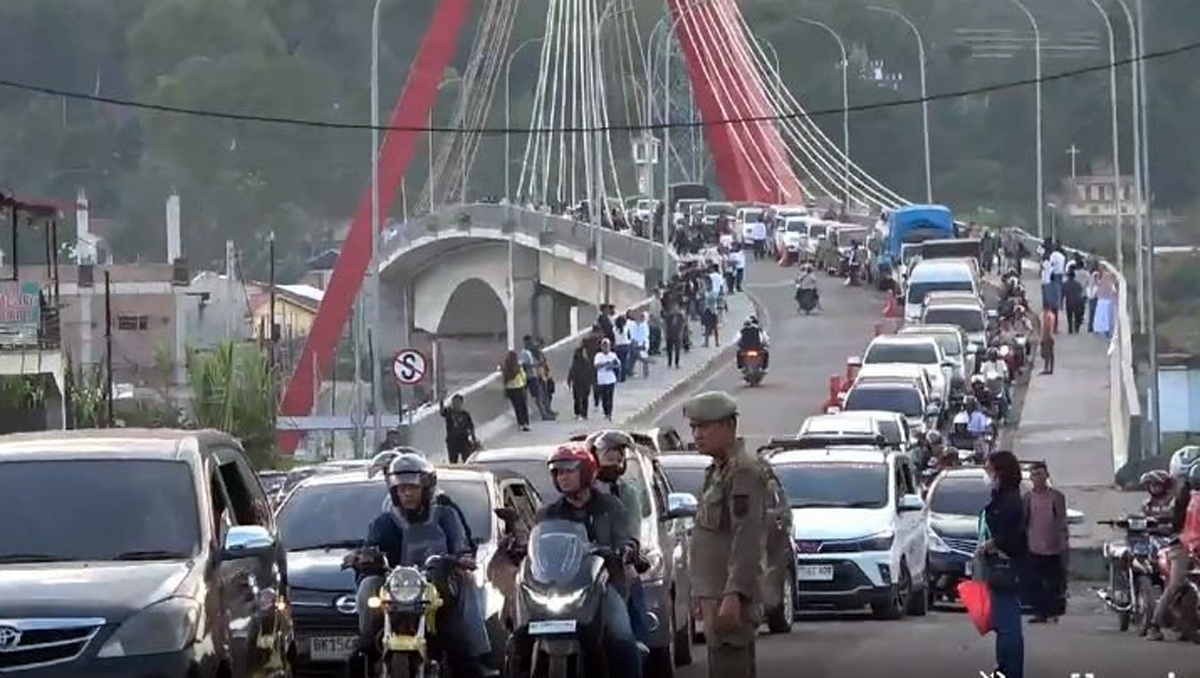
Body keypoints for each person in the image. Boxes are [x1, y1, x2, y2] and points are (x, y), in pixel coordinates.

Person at [353, 453, 484, 678]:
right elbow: (370, 546)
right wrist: (361, 557)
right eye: (401, 489)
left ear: (426, 488)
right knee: (362, 646)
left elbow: (460, 542)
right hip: (395, 589)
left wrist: (460, 556)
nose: (407, 493)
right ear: (394, 491)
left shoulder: (445, 515)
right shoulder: (384, 522)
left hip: (435, 586)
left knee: (458, 641)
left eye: (413, 488)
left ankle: (478, 654)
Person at [535, 443, 644, 678]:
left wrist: (627, 548)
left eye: (568, 471)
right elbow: (537, 545)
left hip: (604, 587)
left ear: (585, 472)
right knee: (521, 634)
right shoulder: (548, 513)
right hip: (558, 590)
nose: (562, 477)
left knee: (622, 637)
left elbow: (626, 537)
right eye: (558, 472)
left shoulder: (610, 506)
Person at [684, 391, 767, 678]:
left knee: (731, 666)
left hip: (729, 598)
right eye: (693, 427)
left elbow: (747, 537)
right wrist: (700, 593)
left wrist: (734, 593)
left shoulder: (743, 471)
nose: (697, 434)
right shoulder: (718, 469)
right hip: (714, 596)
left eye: (704, 427)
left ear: (729, 425)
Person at [588, 430, 652, 651]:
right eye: (609, 457)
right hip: (587, 571)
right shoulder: (583, 492)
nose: (614, 463)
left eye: (618, 458)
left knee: (635, 631)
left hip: (618, 566)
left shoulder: (628, 492)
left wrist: (630, 547)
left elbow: (633, 526)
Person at [976, 450, 1027, 678]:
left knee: (1007, 627)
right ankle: (1005, 669)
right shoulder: (1002, 498)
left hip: (1006, 567)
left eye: (990, 470)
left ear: (1000, 473)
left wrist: (993, 544)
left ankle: (1010, 672)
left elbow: (1015, 536)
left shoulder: (1011, 502)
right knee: (1003, 625)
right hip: (998, 566)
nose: (987, 475)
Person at [1146, 445, 1200, 641]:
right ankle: (1154, 624)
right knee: (1176, 583)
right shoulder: (1187, 497)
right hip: (1182, 545)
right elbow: (1182, 526)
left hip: (1194, 545)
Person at [1023, 462, 1069, 623]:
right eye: (1035, 475)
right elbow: (1024, 520)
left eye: (1041, 474)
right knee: (1036, 581)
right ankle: (1039, 612)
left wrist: (1063, 540)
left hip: (1053, 546)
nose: (1038, 478)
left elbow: (1062, 520)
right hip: (1034, 545)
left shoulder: (1056, 496)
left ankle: (1053, 611)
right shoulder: (1028, 498)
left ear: (1047, 476)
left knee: (1053, 582)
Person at [439, 394, 478, 464]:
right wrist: (441, 401)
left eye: (458, 403)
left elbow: (471, 427)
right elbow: (442, 412)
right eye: (454, 403)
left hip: (463, 440)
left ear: (461, 404)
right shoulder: (449, 412)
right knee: (453, 461)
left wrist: (474, 438)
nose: (456, 405)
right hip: (452, 442)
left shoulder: (465, 414)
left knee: (466, 459)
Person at [500, 350, 530, 431]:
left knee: (517, 407)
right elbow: (524, 376)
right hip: (519, 388)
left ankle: (520, 424)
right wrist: (524, 383)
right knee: (523, 406)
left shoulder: (506, 368)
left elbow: (504, 379)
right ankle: (525, 423)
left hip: (510, 389)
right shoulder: (518, 367)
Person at [593, 337, 621, 420]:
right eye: (604, 346)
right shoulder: (598, 356)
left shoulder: (612, 355)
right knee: (604, 397)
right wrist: (605, 364)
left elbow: (618, 364)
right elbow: (596, 365)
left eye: (607, 346)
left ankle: (609, 413)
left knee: (610, 397)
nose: (606, 348)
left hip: (611, 379)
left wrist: (612, 365)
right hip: (601, 380)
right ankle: (605, 412)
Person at [567, 345, 594, 420]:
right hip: (580, 383)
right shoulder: (582, 362)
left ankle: (580, 413)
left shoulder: (583, 362)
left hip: (581, 383)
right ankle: (581, 414)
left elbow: (571, 373)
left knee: (579, 399)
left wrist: (569, 381)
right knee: (580, 399)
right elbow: (571, 373)